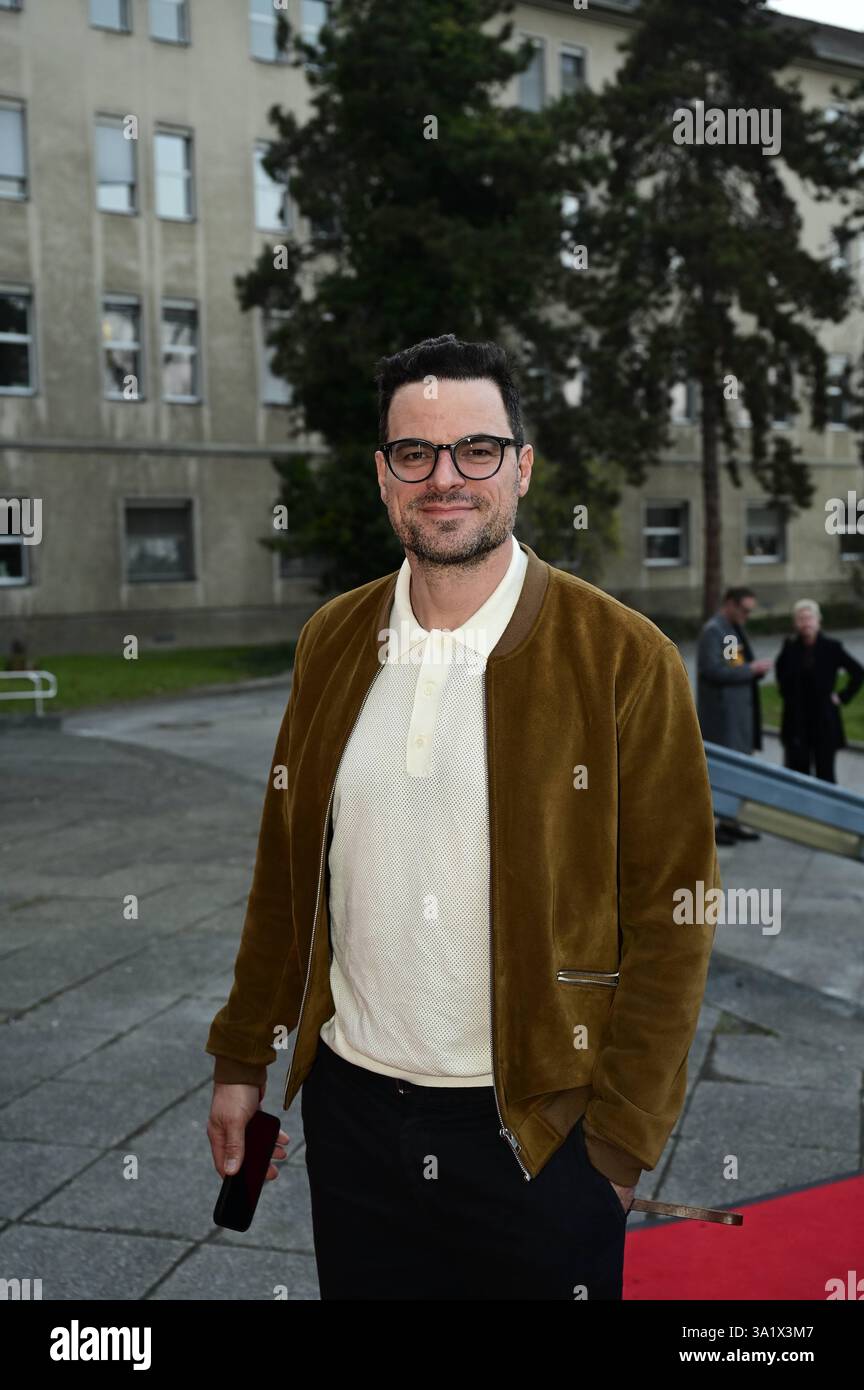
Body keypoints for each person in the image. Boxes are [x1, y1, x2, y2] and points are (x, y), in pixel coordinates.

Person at [205, 334, 719, 1301]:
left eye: (476, 449)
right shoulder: (333, 639)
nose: (446, 477)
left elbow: (676, 914)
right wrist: (243, 1058)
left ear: (521, 468)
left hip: (538, 1131)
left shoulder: (623, 658)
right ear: (384, 476)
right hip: (352, 1118)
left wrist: (616, 1145)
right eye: (416, 453)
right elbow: (285, 876)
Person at [697, 587, 772, 846]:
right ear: (729, 604)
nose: (747, 615)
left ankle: (731, 822)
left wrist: (752, 671)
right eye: (744, 610)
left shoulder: (730, 629)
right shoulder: (715, 631)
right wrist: (751, 670)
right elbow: (713, 671)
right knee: (725, 773)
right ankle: (719, 824)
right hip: (723, 718)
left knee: (738, 771)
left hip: (736, 716)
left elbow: (732, 666)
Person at [774, 599, 863, 783]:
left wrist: (841, 696)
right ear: (795, 623)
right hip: (796, 721)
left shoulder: (831, 647)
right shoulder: (789, 647)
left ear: (818, 620)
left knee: (826, 775)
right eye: (801, 619)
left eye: (809, 618)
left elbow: (858, 673)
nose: (806, 623)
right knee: (797, 775)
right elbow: (780, 676)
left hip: (824, 719)